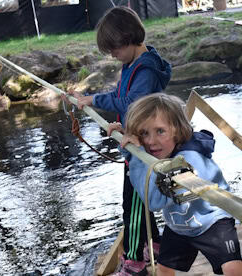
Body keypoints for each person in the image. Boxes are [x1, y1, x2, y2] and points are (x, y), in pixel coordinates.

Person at [69, 6, 172, 275]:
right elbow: (126, 101)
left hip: (143, 152)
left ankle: (134, 262)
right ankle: (156, 245)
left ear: (128, 39)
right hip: (134, 144)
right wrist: (121, 123)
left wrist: (94, 99)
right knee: (139, 204)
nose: (113, 56)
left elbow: (131, 102)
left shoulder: (146, 69)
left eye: (114, 49)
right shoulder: (131, 64)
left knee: (133, 206)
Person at [106, 93, 242, 276]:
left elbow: (154, 201)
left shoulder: (188, 164)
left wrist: (136, 155)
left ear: (176, 129)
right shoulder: (163, 151)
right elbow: (141, 163)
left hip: (211, 220)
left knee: (231, 267)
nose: (150, 141)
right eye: (143, 133)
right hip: (179, 224)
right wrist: (126, 143)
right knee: (164, 268)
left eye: (160, 131)